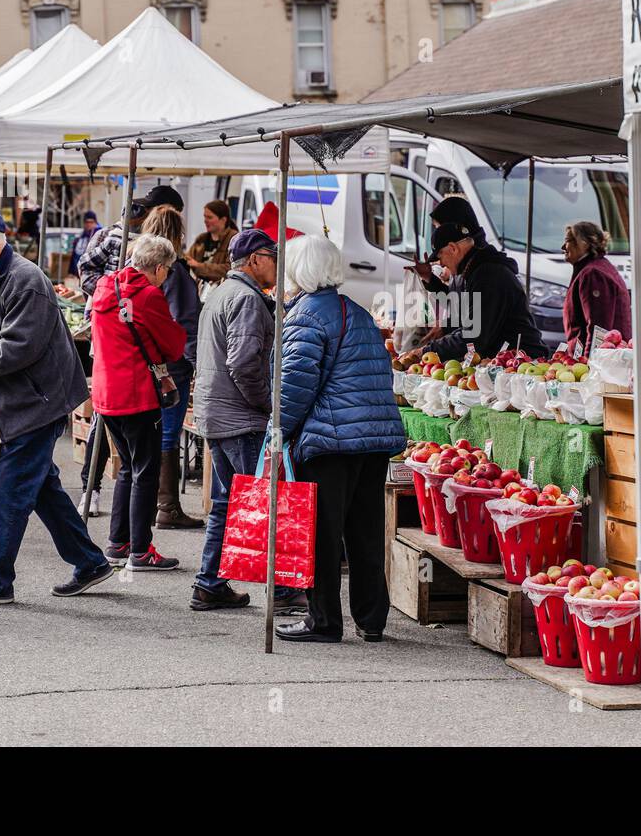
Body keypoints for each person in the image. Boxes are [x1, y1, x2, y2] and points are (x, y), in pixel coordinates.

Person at [0, 205, 112, 608]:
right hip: (12, 400)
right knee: (43, 487)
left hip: (39, 401)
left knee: (10, 491)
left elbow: (20, 348)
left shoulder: (25, 279)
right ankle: (90, 562)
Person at [274, 235, 406, 643]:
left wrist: (280, 428)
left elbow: (294, 386)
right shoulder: (358, 312)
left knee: (323, 534)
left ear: (300, 270)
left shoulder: (305, 315)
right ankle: (372, 619)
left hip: (328, 443)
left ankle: (324, 621)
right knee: (365, 532)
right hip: (372, 442)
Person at [189, 228, 307, 615]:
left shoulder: (223, 293)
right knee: (269, 501)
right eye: (272, 256)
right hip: (241, 418)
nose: (278, 264)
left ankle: (209, 584)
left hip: (216, 413)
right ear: (255, 260)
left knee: (226, 501)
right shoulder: (247, 299)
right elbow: (243, 363)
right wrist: (267, 407)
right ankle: (286, 591)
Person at [88, 234, 187, 571]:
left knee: (129, 468)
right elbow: (174, 346)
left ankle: (118, 543)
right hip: (136, 394)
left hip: (105, 394)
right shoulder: (147, 296)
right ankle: (141, 550)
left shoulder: (106, 287)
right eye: (168, 270)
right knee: (146, 470)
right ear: (158, 268)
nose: (167, 276)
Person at [139, 206, 205, 529]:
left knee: (156, 434)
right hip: (172, 367)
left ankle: (157, 504)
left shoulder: (140, 267)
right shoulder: (175, 272)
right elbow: (184, 324)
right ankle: (167, 506)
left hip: (148, 364)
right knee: (167, 434)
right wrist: (197, 366)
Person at [403, 221, 549, 364]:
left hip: (523, 363)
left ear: (453, 248)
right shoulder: (473, 270)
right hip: (502, 361)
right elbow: (464, 316)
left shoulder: (488, 276)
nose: (440, 263)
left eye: (440, 256)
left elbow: (473, 336)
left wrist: (427, 351)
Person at [78, 184, 184, 298]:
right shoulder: (108, 235)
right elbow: (86, 268)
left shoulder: (163, 247)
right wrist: (111, 295)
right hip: (111, 309)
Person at [561, 220, 631, 351]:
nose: (563, 247)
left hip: (602, 361)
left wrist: (590, 362)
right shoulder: (594, 269)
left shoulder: (593, 274)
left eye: (568, 240)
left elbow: (598, 328)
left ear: (584, 244)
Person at [187, 200, 238, 287]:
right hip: (200, 290)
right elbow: (188, 260)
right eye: (204, 217)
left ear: (223, 220)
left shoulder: (234, 240)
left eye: (209, 217)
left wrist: (199, 266)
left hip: (221, 290)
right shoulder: (201, 239)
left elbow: (230, 269)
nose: (205, 221)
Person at [69, 211, 101, 278]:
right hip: (78, 271)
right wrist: (71, 271)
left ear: (95, 222)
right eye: (87, 222)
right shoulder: (81, 236)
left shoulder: (99, 235)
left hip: (92, 272)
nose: (89, 224)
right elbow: (74, 254)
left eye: (91, 222)